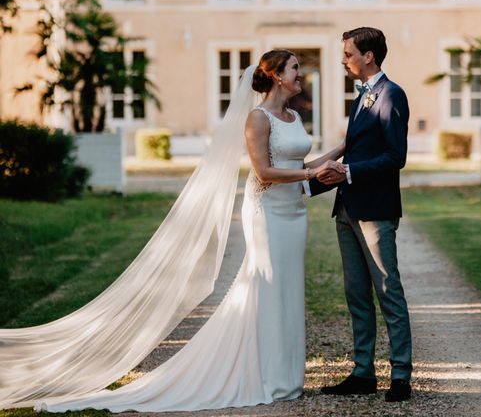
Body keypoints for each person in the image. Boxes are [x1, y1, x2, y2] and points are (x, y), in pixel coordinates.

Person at [1, 50, 345, 412]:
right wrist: (310, 175)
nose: (300, 75)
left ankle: (286, 378)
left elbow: (299, 164)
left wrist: (341, 149)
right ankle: (267, 376)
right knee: (269, 285)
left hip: (294, 211)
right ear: (276, 75)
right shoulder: (257, 119)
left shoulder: (293, 116)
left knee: (288, 288)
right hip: (267, 213)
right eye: (294, 69)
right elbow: (263, 172)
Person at [308, 27, 413, 402]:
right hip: (347, 209)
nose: (343, 60)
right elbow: (354, 149)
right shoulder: (362, 96)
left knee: (388, 290)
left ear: (369, 55)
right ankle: (363, 372)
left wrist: (348, 172)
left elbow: (395, 157)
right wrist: (312, 178)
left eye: (349, 53)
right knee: (356, 294)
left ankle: (400, 374)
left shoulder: (391, 95)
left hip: (375, 211)